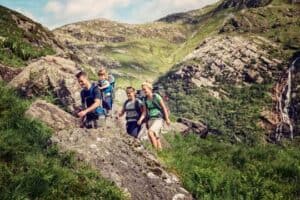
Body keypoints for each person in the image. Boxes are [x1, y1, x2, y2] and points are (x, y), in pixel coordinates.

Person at [142, 82, 170, 150]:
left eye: (145, 89)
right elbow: (145, 112)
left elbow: (163, 107)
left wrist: (167, 119)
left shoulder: (156, 96)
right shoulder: (145, 99)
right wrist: (142, 120)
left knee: (150, 133)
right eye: (143, 90)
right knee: (156, 136)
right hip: (151, 119)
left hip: (158, 118)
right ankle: (160, 152)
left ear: (150, 89)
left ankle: (154, 152)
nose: (144, 91)